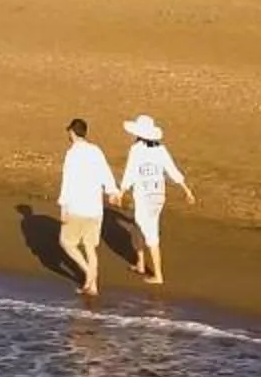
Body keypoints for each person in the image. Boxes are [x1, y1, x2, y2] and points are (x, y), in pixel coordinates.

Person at [117, 114, 196, 285]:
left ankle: (158, 275)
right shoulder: (161, 149)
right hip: (158, 195)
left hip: (144, 196)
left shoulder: (136, 150)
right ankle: (140, 263)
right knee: (138, 228)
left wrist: (121, 191)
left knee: (150, 232)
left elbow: (130, 172)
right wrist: (186, 190)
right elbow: (172, 170)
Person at [55, 118, 117, 307]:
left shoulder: (72, 154)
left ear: (72, 132)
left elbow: (68, 180)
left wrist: (63, 205)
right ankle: (93, 285)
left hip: (77, 207)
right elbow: (105, 172)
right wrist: (112, 190)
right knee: (90, 247)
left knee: (66, 242)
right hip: (94, 208)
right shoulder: (96, 151)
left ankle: (89, 275)